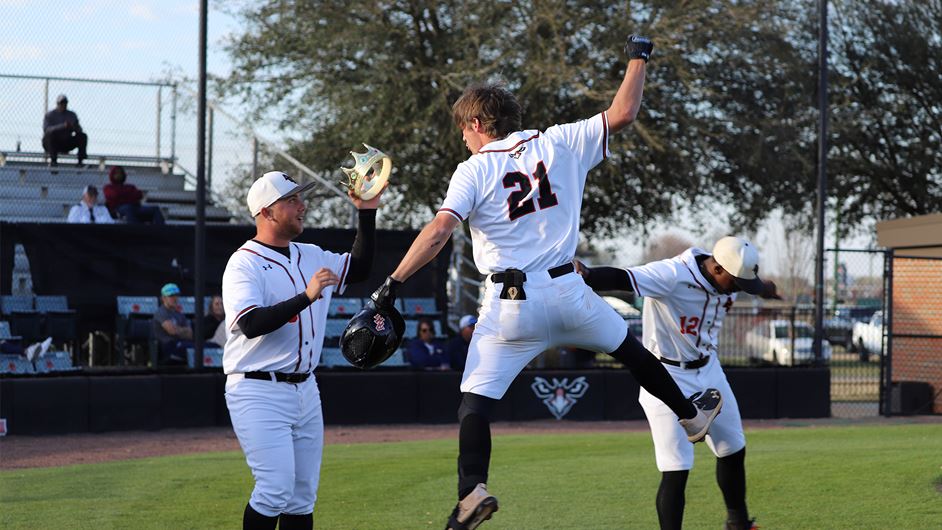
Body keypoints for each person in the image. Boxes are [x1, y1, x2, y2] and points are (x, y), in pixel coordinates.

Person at [366, 35, 722, 530]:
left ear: (475, 124)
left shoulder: (473, 168)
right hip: (568, 292)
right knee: (631, 351)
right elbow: (623, 113)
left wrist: (393, 282)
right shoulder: (559, 140)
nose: (463, 140)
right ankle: (690, 415)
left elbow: (440, 231)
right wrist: (638, 55)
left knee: (475, 403)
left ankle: (472, 492)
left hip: (509, 303)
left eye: (463, 131)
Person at [576, 236, 781, 530]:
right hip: (665, 376)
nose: (738, 288)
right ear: (718, 269)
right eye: (736, 282)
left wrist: (768, 290)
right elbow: (625, 277)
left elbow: (758, 286)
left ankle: (738, 523)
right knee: (677, 468)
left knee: (733, 449)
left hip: (709, 369)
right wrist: (589, 274)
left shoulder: (732, 274)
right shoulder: (672, 275)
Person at [221, 169, 384, 530]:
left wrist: (367, 211)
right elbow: (250, 324)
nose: (302, 206)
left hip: (306, 389)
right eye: (291, 200)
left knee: (301, 497)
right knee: (274, 489)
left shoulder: (309, 254)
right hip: (257, 388)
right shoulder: (243, 263)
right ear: (266, 212)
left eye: (300, 198)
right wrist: (306, 297)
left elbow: (359, 268)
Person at [42, 94, 87, 168]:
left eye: (65, 103)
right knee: (50, 135)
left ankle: (80, 162)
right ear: (57, 104)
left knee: (83, 136)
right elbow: (46, 130)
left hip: (66, 142)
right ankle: (53, 162)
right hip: (53, 144)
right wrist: (62, 126)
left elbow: (79, 130)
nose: (63, 105)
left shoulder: (72, 115)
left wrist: (73, 127)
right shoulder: (50, 115)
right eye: (61, 103)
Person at [153, 282, 193, 364]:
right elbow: (172, 331)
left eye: (177, 295)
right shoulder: (160, 312)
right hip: (166, 346)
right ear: (163, 298)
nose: (175, 298)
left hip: (182, 344)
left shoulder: (180, 314)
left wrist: (177, 329)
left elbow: (190, 334)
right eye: (171, 296)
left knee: (201, 348)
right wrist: (182, 330)